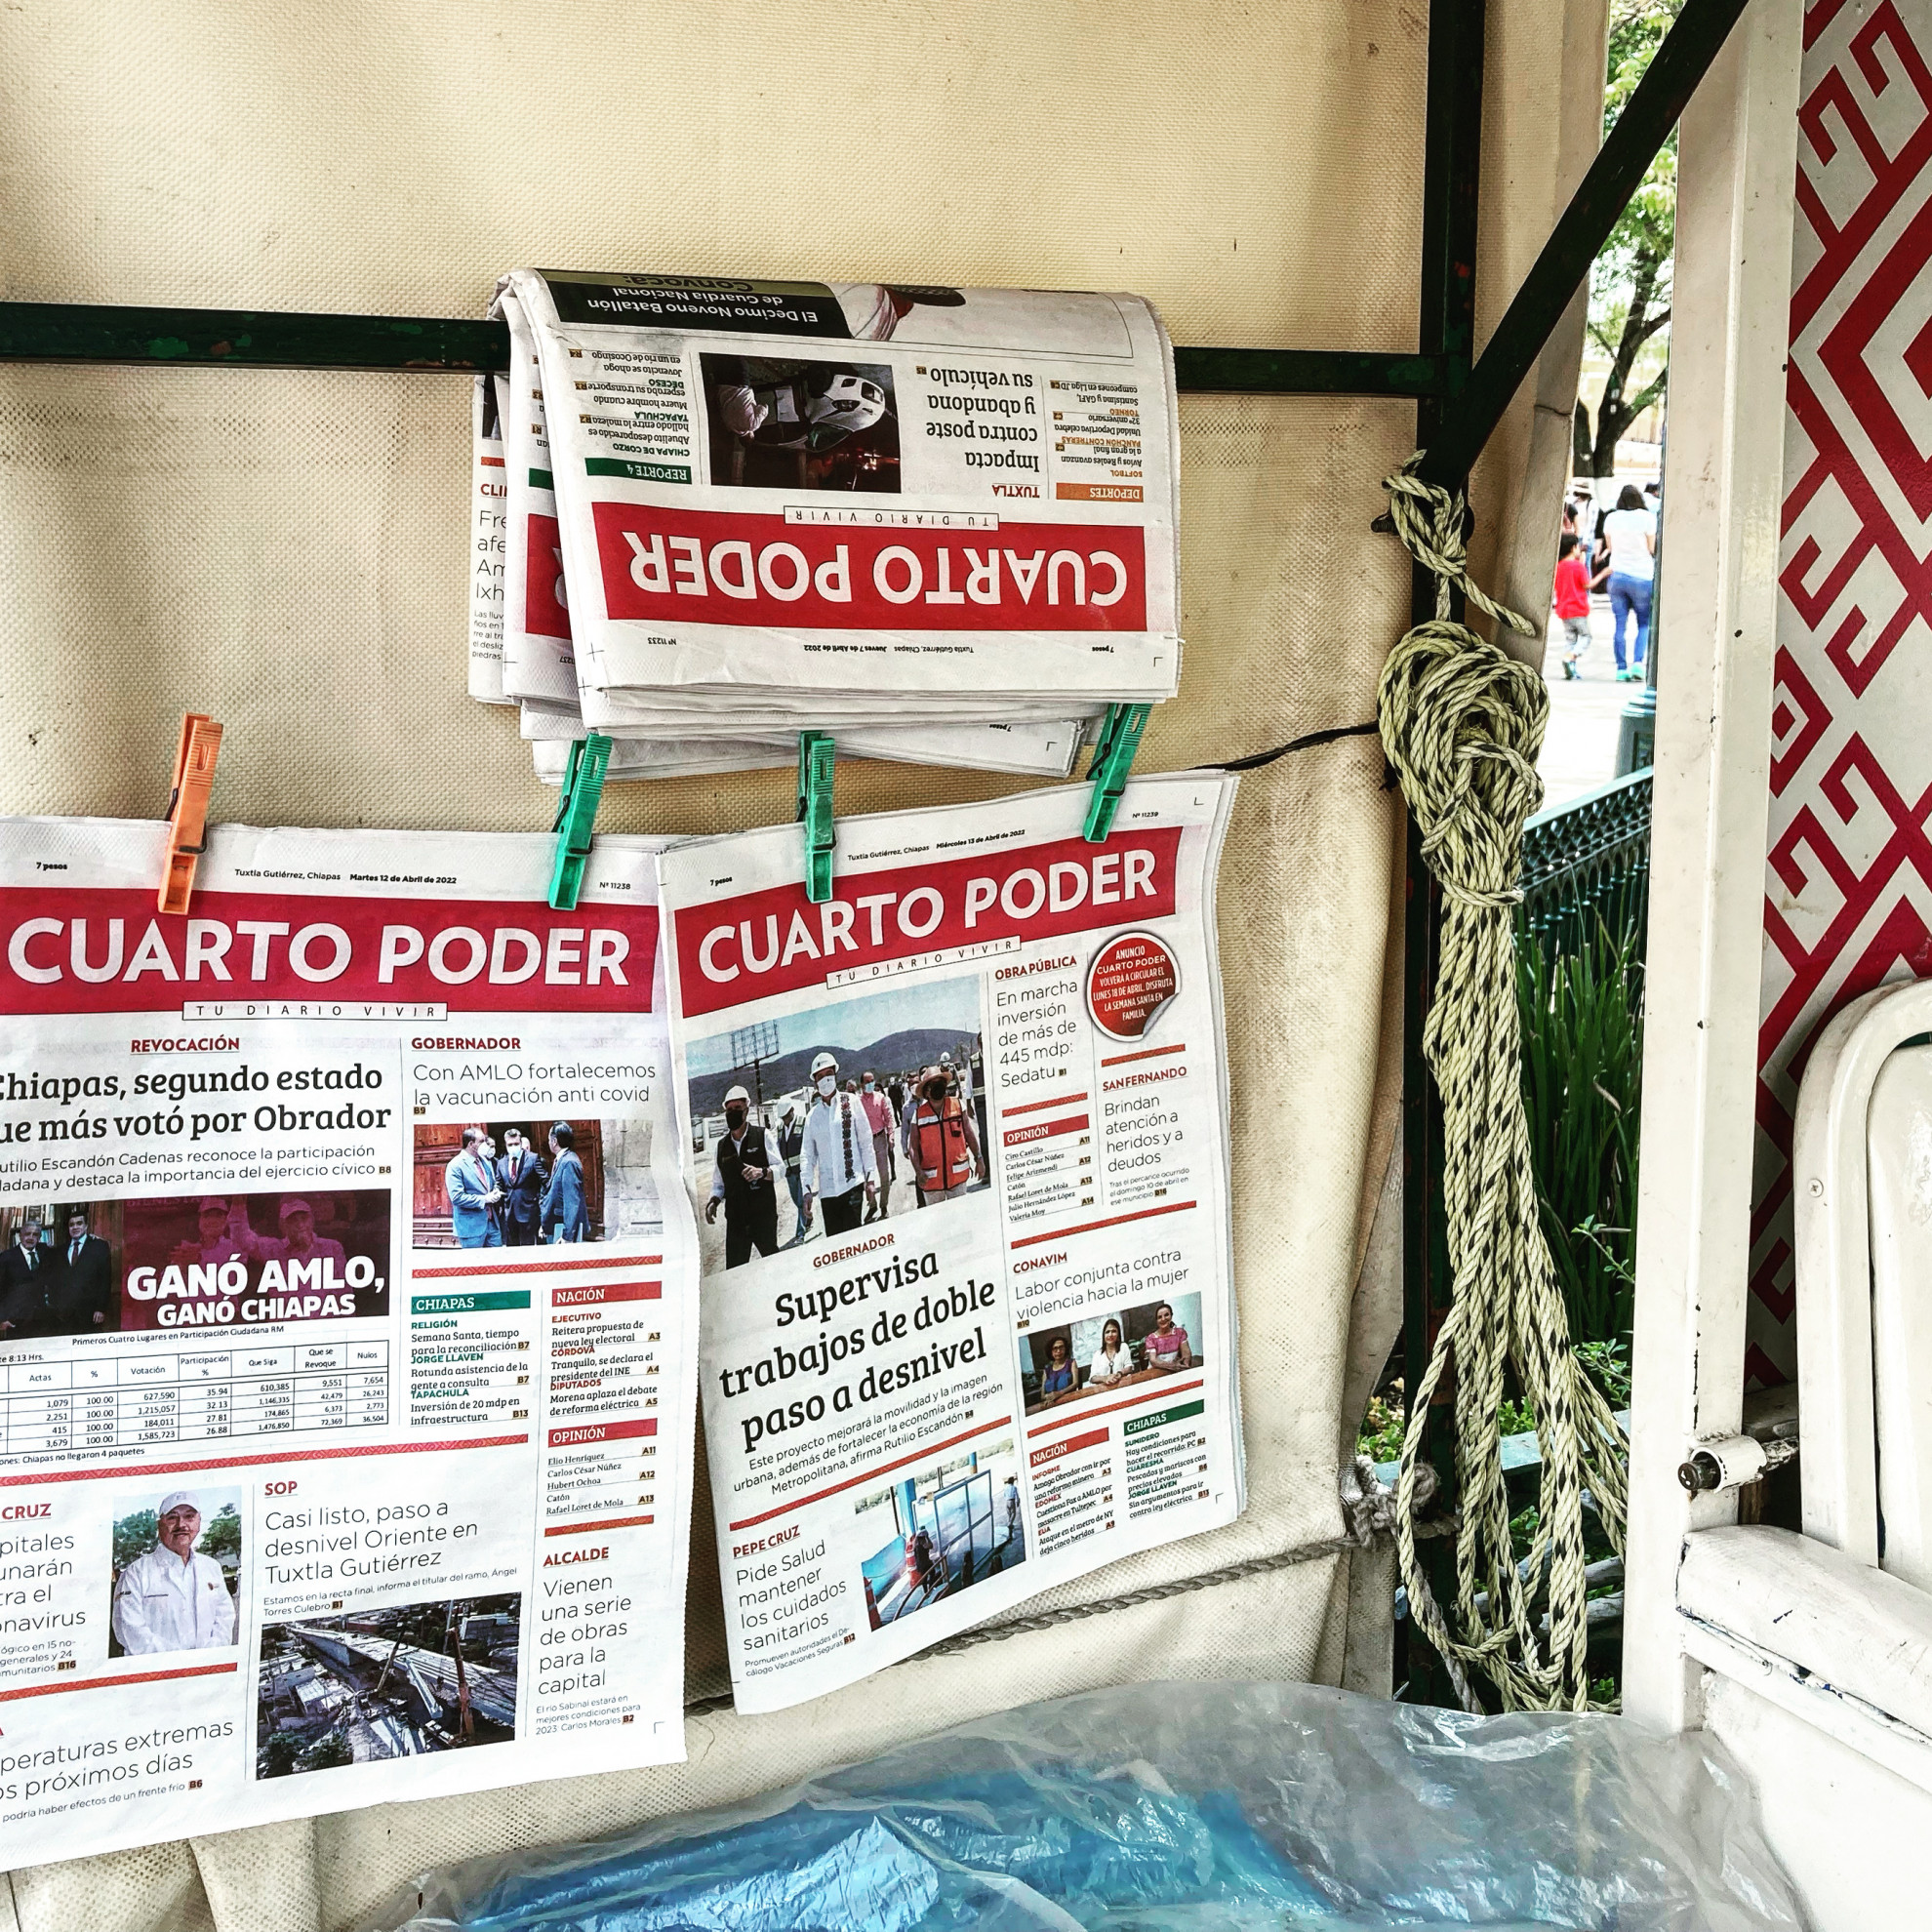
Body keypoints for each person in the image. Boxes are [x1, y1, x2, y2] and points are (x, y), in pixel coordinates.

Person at [111, 1492, 236, 1655]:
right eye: (172, 1518)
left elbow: (225, 1617)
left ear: (199, 1521)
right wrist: (181, 1661)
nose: (181, 1525)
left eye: (189, 1517)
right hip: (157, 1668)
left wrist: (208, 1656)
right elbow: (130, 1631)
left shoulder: (212, 1567)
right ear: (160, 1525)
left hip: (209, 1664)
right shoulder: (135, 1573)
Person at [801, 1052, 877, 1235]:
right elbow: (807, 1155)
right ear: (815, 1082)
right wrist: (806, 1190)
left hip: (852, 1186)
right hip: (828, 1193)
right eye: (820, 1076)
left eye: (829, 1073)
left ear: (835, 1074)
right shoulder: (812, 1117)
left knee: (854, 1240)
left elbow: (865, 1141)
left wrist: (870, 1178)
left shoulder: (851, 1102)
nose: (825, 1079)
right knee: (836, 1244)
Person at [705, 1085, 780, 1268]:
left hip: (763, 1217)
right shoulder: (721, 1146)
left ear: (746, 1110)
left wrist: (761, 1172)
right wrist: (713, 1201)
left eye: (737, 1108)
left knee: (773, 1265)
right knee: (735, 1271)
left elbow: (781, 1168)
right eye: (729, 1109)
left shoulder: (762, 1135)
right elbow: (719, 1184)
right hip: (736, 1221)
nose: (733, 1113)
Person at [904, 1064, 984, 1208]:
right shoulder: (919, 1114)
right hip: (931, 1181)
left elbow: (969, 1134)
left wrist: (979, 1158)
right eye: (933, 1084)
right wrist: (918, 1172)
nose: (938, 1087)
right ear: (926, 1092)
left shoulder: (958, 1105)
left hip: (958, 1177)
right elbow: (913, 1147)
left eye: (940, 1083)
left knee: (960, 1216)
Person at [1599, 482, 1657, 681]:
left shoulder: (1611, 518)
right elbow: (1651, 548)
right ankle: (1638, 664)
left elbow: (1610, 546)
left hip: (1617, 575)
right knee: (1644, 623)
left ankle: (1621, 668)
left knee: (1619, 625)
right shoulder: (1647, 517)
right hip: (1642, 575)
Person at [46, 1206, 115, 1333]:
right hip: (63, 1315)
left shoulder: (99, 1246)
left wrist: (100, 1309)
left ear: (86, 1226)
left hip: (90, 1313)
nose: (75, 1227)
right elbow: (54, 1280)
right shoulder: (59, 1251)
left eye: (79, 1223)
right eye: (71, 1225)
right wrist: (55, 1305)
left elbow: (105, 1279)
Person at [445, 1128, 503, 1248]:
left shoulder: (484, 1161)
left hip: (492, 1224)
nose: (485, 1145)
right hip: (471, 1228)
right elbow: (457, 1197)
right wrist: (485, 1199)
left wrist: (495, 1191)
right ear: (471, 1144)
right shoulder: (455, 1165)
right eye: (481, 1141)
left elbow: (492, 1182)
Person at [264, 1199, 346, 1278]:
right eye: (294, 1221)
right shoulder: (274, 1249)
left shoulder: (332, 1247)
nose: (300, 1225)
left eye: (304, 1219)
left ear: (312, 1221)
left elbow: (343, 1283)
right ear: (284, 1226)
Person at [541, 1122, 591, 1242]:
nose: (548, 1143)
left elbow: (571, 1201)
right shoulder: (562, 1160)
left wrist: (567, 1236)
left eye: (549, 1140)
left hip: (562, 1229)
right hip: (554, 1225)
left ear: (554, 1141)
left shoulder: (569, 1162)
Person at [1552, 532, 1592, 680]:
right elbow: (1587, 584)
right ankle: (1571, 656)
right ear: (1573, 547)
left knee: (1571, 639)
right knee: (1586, 636)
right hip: (1578, 609)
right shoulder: (1578, 566)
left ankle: (1570, 667)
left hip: (1564, 610)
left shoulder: (1559, 566)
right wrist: (1603, 575)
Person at [496, 1128, 546, 1246]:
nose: (513, 1147)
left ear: (520, 1143)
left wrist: (540, 1199)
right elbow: (499, 1182)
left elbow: (545, 1181)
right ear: (505, 1145)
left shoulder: (533, 1158)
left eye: (516, 1144)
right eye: (510, 1144)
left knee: (527, 1248)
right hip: (509, 1212)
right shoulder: (501, 1162)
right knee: (512, 1248)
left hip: (528, 1212)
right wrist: (496, 1190)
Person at [858, 1070, 896, 1222]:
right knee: (867, 1177)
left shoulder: (881, 1098)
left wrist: (891, 1135)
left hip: (880, 1138)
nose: (870, 1084)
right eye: (867, 1082)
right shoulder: (857, 1102)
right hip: (865, 1143)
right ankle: (872, 1205)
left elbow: (889, 1118)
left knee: (884, 1174)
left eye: (872, 1081)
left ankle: (884, 1205)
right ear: (861, 1084)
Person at [0, 1216, 47, 1336]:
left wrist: (90, 1239)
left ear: (39, 1238)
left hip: (40, 1320)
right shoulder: (6, 1257)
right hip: (14, 1321)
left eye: (35, 1235)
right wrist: (2, 1319)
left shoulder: (45, 1252)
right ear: (20, 1235)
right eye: (27, 1234)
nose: (31, 1238)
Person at [1145, 1302, 1194, 1372]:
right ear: (1157, 1321)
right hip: (1156, 1372)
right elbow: (1153, 1361)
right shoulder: (1151, 1338)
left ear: (1171, 1316)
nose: (1163, 1319)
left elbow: (1186, 1354)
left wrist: (1185, 1365)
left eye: (1166, 1315)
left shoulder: (1180, 1333)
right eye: (1159, 1317)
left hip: (1175, 1370)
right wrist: (1172, 1366)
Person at [1088, 1317, 1131, 1389]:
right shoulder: (1097, 1354)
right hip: (1104, 1389)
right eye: (1107, 1332)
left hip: (1122, 1387)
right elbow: (1092, 1378)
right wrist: (1105, 1378)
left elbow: (1129, 1367)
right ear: (1103, 1335)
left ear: (1118, 1334)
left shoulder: (1123, 1347)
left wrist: (1119, 1373)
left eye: (1114, 1331)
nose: (1110, 1334)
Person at [1036, 1335, 1077, 1405]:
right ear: (1050, 1351)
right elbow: (1042, 1394)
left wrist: (1059, 1393)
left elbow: (1075, 1383)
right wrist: (1048, 1397)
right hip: (1050, 1403)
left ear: (1065, 1349)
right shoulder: (1047, 1370)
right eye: (1055, 1348)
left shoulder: (1071, 1363)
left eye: (1061, 1347)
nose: (1058, 1351)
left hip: (1069, 1401)